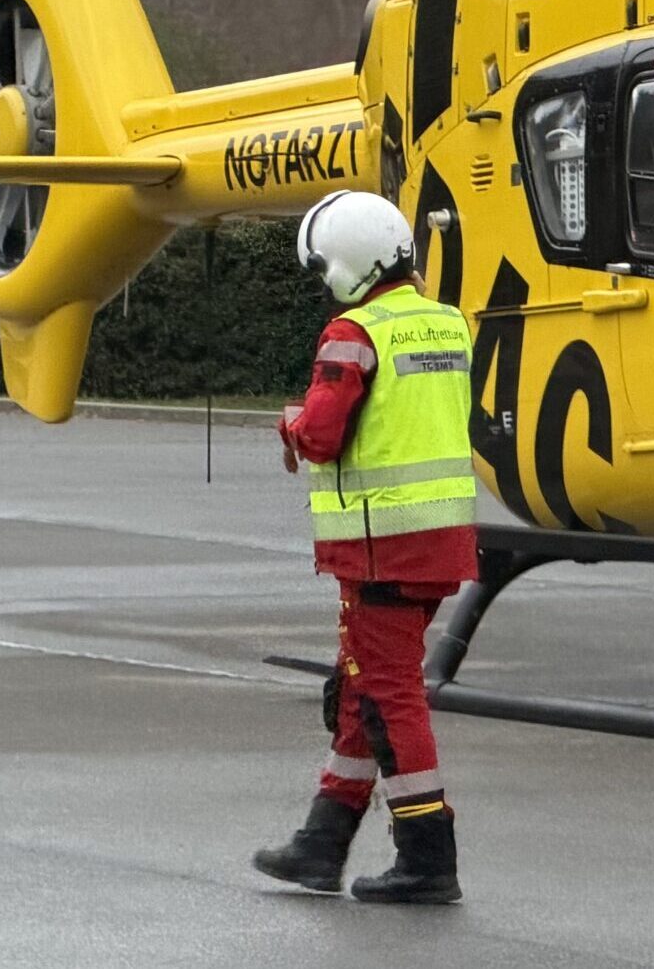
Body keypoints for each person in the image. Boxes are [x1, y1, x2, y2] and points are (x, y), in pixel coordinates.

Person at [252, 189, 477, 906]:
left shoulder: (353, 333)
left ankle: (426, 854)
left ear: (347, 261)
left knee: (389, 698)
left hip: (382, 549)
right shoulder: (445, 324)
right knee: (359, 692)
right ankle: (322, 843)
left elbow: (322, 433)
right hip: (438, 545)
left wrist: (290, 424)